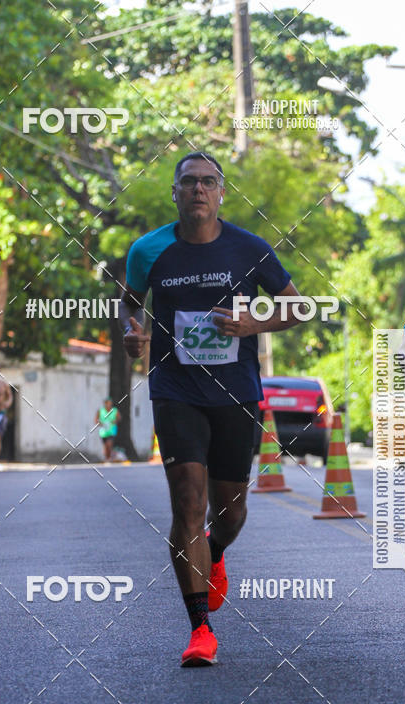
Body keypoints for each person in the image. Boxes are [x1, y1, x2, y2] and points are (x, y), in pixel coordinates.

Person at [120, 151, 306, 666]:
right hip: (175, 390)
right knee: (187, 503)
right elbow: (128, 304)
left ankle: (215, 550)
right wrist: (130, 334)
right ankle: (200, 628)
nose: (198, 190)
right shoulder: (148, 250)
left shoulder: (249, 247)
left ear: (221, 193)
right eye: (189, 182)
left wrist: (253, 326)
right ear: (174, 193)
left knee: (231, 510)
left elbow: (297, 306)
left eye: (208, 182)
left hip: (236, 392)